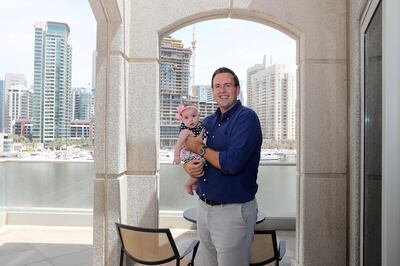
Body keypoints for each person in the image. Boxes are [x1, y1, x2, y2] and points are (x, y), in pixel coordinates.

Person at [183, 67, 263, 266]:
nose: (222, 90)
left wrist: (199, 148)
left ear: (237, 89)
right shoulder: (208, 121)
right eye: (217, 86)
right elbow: (190, 150)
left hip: (232, 213)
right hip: (203, 208)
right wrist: (187, 167)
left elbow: (231, 164)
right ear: (212, 91)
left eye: (227, 85)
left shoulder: (247, 118)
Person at [173, 103, 206, 195]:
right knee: (199, 168)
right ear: (182, 120)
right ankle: (188, 184)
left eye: (193, 116)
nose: (190, 119)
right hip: (189, 153)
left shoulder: (200, 127)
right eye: (186, 118)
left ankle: (194, 184)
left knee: (201, 167)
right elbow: (178, 144)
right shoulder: (185, 131)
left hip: (197, 152)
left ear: (199, 116)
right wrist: (176, 156)